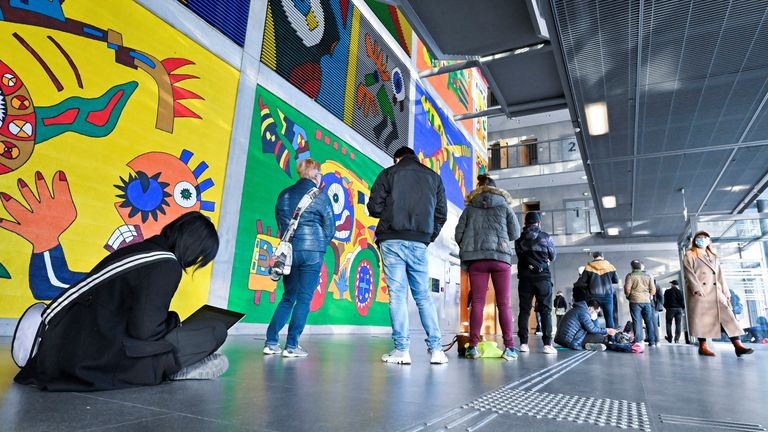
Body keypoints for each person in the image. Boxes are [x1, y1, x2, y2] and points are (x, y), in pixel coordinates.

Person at [15, 212, 226, 391]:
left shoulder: (140, 251)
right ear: (194, 248)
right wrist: (174, 323)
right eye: (199, 257)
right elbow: (144, 332)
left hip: (70, 350)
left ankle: (176, 364)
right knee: (216, 330)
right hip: (93, 360)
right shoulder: (166, 265)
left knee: (184, 336)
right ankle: (172, 368)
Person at [368, 146, 448, 365]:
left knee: (397, 295)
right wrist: (427, 237)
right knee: (423, 295)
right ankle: (437, 350)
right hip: (419, 241)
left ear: (397, 158)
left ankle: (402, 350)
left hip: (392, 239)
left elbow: (374, 208)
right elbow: (441, 213)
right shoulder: (433, 177)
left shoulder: (388, 173)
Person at [264, 159, 335, 358]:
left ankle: (271, 342)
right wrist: (319, 243)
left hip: (290, 252)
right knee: (304, 299)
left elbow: (282, 225)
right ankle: (292, 346)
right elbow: (331, 228)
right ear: (316, 175)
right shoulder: (321, 196)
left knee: (287, 297)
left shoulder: (284, 194)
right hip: (313, 253)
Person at [455, 173, 521, 361]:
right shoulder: (505, 206)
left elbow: (458, 234)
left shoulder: (469, 209)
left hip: (476, 259)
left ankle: (473, 347)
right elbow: (515, 233)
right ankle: (509, 348)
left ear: (479, 187)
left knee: (477, 303)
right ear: (495, 187)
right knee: (504, 304)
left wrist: (468, 245)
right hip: (500, 257)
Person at [684, 231, 753, 357]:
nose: (702, 239)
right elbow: (688, 273)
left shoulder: (714, 255)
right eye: (699, 238)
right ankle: (703, 346)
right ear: (695, 240)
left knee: (729, 318)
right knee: (701, 320)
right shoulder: (690, 254)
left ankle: (738, 345)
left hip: (716, 292)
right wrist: (696, 288)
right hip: (701, 293)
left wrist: (726, 292)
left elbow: (720, 275)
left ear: (709, 241)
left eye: (705, 238)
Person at [515, 211, 557, 354]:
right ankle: (547, 345)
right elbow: (553, 256)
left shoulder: (519, 239)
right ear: (539, 223)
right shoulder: (545, 237)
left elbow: (520, 256)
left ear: (525, 223)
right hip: (543, 278)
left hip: (525, 279)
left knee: (524, 311)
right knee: (546, 311)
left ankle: (524, 344)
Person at [576, 251, 619, 329]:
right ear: (602, 256)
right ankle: (611, 339)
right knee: (609, 317)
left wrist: (590, 284)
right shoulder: (610, 266)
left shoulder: (588, 267)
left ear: (593, 257)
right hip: (607, 295)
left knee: (593, 316)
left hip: (593, 296)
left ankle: (595, 337)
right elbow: (616, 280)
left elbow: (582, 282)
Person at [624, 260, 657, 347]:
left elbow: (627, 289)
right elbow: (653, 290)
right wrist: (648, 295)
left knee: (637, 321)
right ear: (640, 267)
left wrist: (628, 296)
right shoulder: (648, 276)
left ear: (632, 267)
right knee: (649, 321)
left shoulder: (630, 276)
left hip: (635, 301)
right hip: (646, 301)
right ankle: (652, 342)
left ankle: (638, 341)